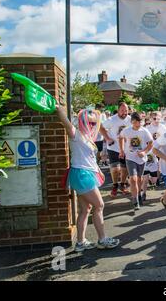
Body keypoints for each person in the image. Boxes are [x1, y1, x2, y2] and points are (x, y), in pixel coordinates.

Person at [57, 105, 120, 252]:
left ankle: (80, 242)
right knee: (99, 206)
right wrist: (58, 109)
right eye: (89, 122)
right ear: (82, 121)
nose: (92, 125)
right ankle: (102, 239)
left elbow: (89, 158)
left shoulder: (88, 137)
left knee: (86, 209)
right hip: (81, 174)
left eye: (93, 123)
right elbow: (65, 122)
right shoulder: (76, 134)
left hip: (87, 173)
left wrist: (98, 170)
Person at [119, 112, 154, 212]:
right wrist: (121, 150)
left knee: (140, 179)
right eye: (135, 122)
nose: (137, 124)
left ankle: (138, 194)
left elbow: (151, 143)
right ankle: (135, 200)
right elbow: (121, 137)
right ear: (132, 122)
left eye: (139, 122)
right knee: (133, 179)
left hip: (141, 159)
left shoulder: (144, 131)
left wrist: (144, 151)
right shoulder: (127, 130)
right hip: (130, 157)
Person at [99, 102, 131, 198]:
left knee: (125, 169)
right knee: (115, 169)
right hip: (113, 147)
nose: (124, 113)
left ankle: (122, 184)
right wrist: (108, 138)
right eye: (122, 110)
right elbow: (100, 127)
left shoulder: (130, 119)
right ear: (118, 110)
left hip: (126, 148)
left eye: (126, 111)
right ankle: (115, 185)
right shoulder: (111, 119)